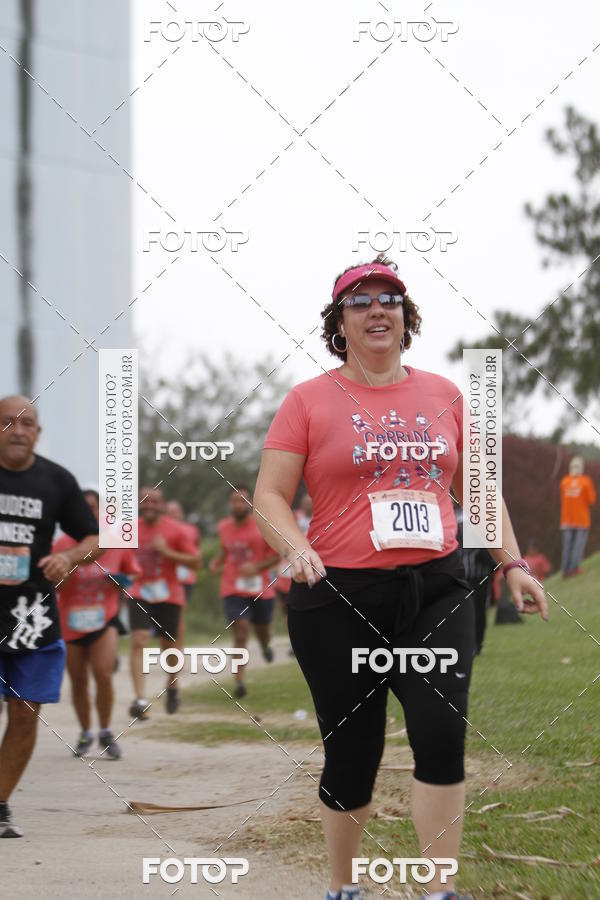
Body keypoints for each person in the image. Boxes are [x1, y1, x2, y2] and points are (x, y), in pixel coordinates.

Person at [253, 257, 548, 900]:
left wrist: (514, 564)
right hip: (338, 597)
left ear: (406, 317)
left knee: (441, 737)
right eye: (360, 302)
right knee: (353, 752)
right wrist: (294, 546)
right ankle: (343, 886)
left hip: (437, 588)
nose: (377, 309)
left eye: (390, 298)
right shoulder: (306, 399)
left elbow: (478, 488)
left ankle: (439, 890)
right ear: (339, 324)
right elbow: (270, 495)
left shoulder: (446, 394)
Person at [0, 395, 100, 837]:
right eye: (7, 422)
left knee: (24, 713)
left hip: (32, 617)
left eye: (27, 423)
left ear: (38, 432)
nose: (17, 430)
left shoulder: (57, 481)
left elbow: (94, 537)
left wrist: (71, 557)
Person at [54, 489, 141, 759]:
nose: (89, 512)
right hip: (70, 620)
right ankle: (85, 731)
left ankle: (105, 730)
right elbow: (55, 585)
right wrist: (68, 567)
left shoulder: (114, 541)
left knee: (103, 674)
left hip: (105, 617)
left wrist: (121, 582)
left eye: (93, 507)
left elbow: (133, 574)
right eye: (83, 507)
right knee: (78, 681)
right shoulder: (62, 544)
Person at [128, 487, 200, 718]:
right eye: (145, 501)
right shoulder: (129, 529)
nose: (149, 505)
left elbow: (196, 562)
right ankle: (140, 699)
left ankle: (172, 685)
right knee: (139, 639)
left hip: (169, 593)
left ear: (162, 505)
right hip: (138, 590)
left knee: (169, 646)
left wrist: (167, 552)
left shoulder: (176, 530)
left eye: (155, 501)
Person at [209, 485, 279, 698]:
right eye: (234, 500)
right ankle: (239, 680)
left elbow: (277, 556)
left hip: (261, 588)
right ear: (229, 504)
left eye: (243, 500)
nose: (238, 504)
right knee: (240, 630)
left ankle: (266, 646)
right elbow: (226, 550)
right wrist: (217, 562)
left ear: (250, 503)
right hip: (233, 586)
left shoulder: (262, 525)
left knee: (263, 630)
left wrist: (256, 568)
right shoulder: (223, 527)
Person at [454, 506, 496, 655]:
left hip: (467, 572)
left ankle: (472, 645)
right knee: (476, 610)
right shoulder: (477, 519)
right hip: (474, 573)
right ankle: (475, 644)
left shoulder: (456, 518)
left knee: (469, 610)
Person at [165, 499, 202, 647]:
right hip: (165, 579)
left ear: (181, 513)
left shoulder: (191, 530)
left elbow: (197, 552)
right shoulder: (161, 530)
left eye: (175, 512)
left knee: (178, 613)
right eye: (169, 512)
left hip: (185, 579)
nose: (172, 515)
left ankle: (177, 647)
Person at [560, 456, 596, 577]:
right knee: (578, 545)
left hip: (566, 519)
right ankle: (574, 568)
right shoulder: (586, 481)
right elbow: (591, 500)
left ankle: (565, 570)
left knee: (567, 546)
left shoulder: (564, 482)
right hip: (581, 519)